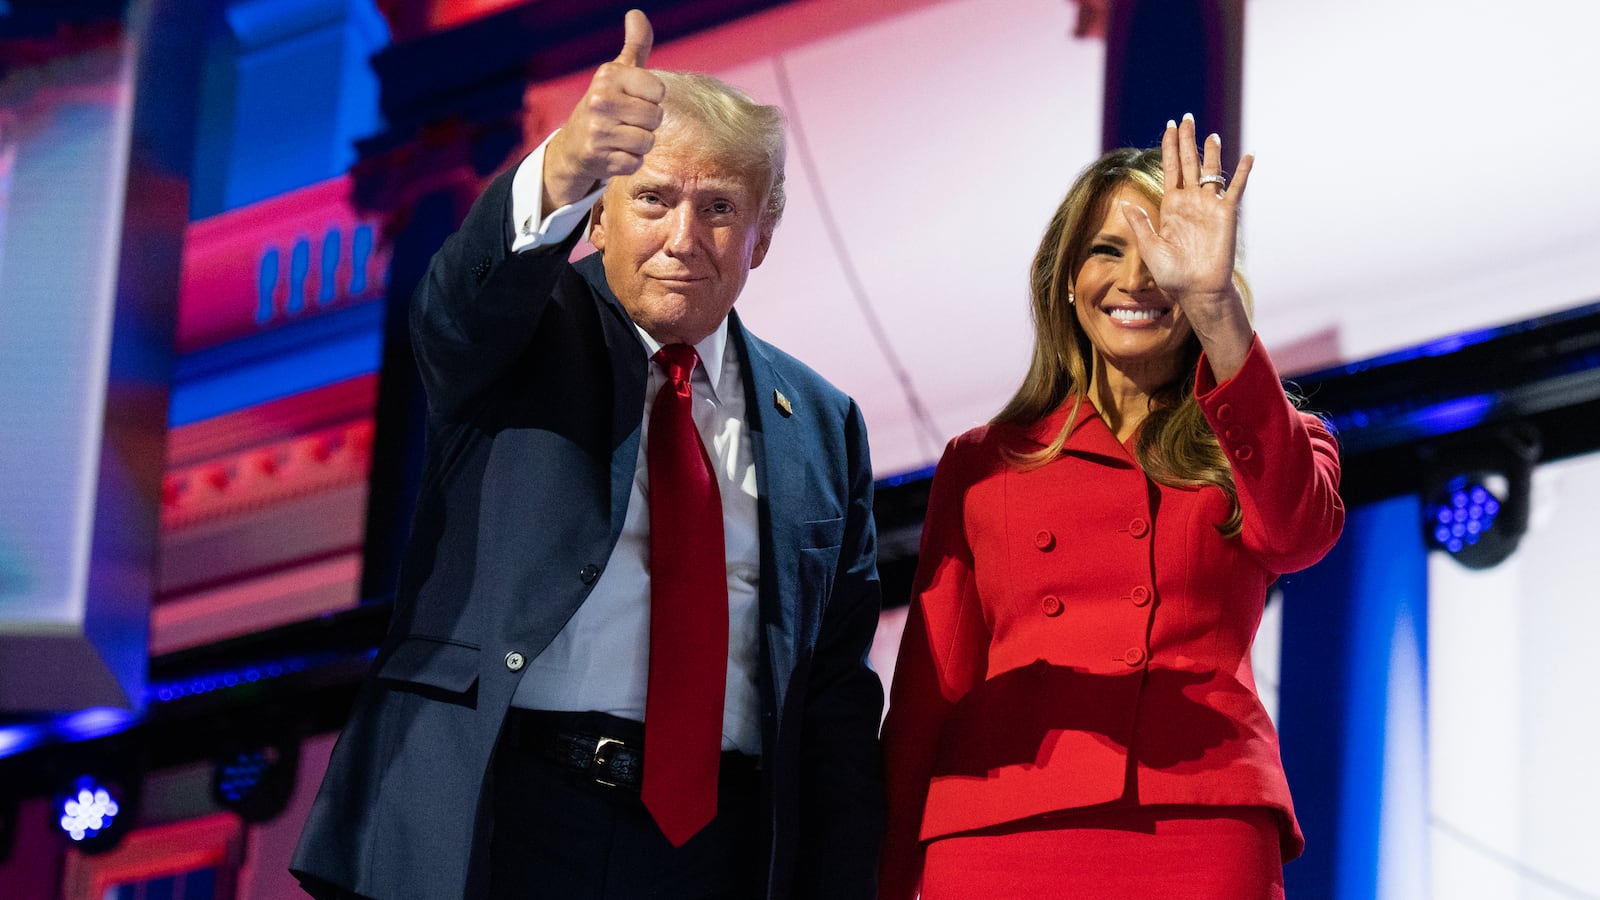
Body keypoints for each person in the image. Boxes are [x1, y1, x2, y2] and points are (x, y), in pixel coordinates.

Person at [290, 10, 884, 899]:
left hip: (718, 851)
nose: (685, 237)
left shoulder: (823, 423)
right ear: (597, 218)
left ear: (761, 237)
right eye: (653, 200)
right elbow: (459, 306)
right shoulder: (520, 333)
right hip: (511, 816)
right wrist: (563, 166)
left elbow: (834, 691)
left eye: (720, 208)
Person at [878, 115, 1345, 900]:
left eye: (1164, 254)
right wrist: (884, 881)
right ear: (1065, 279)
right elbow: (929, 694)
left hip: (1199, 817)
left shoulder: (1265, 440)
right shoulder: (984, 462)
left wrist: (1215, 306)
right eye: (1106, 250)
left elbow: (1299, 535)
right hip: (999, 827)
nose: (1137, 279)